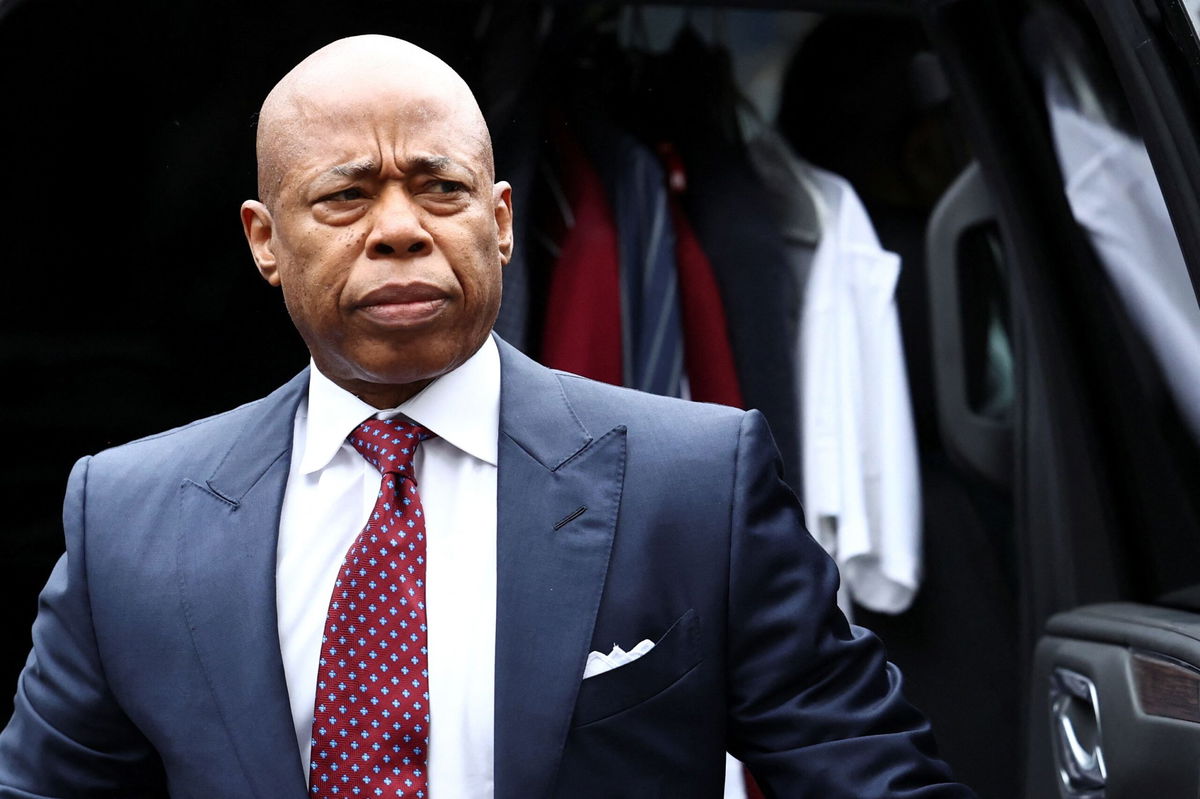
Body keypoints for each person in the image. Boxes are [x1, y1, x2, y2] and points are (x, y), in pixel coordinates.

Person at [0, 35, 974, 798]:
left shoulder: (693, 485)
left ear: (501, 221)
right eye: (345, 196)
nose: (399, 229)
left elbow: (871, 776)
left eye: (441, 188)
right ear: (265, 239)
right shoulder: (127, 519)